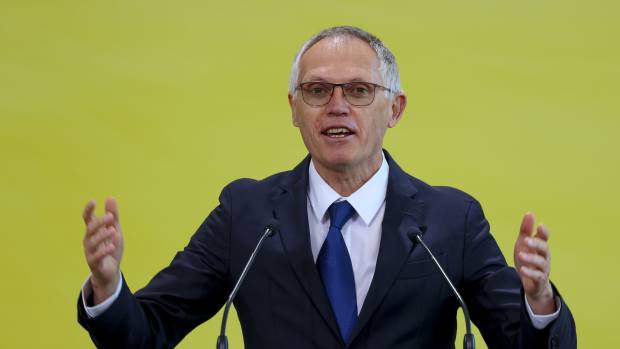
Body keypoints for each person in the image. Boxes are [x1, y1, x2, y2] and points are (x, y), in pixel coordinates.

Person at [78, 26, 576, 348]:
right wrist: (107, 286)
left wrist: (538, 300)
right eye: (317, 91)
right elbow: (144, 335)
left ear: (395, 109)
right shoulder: (246, 214)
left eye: (358, 91)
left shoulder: (451, 220)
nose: (337, 106)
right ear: (295, 108)